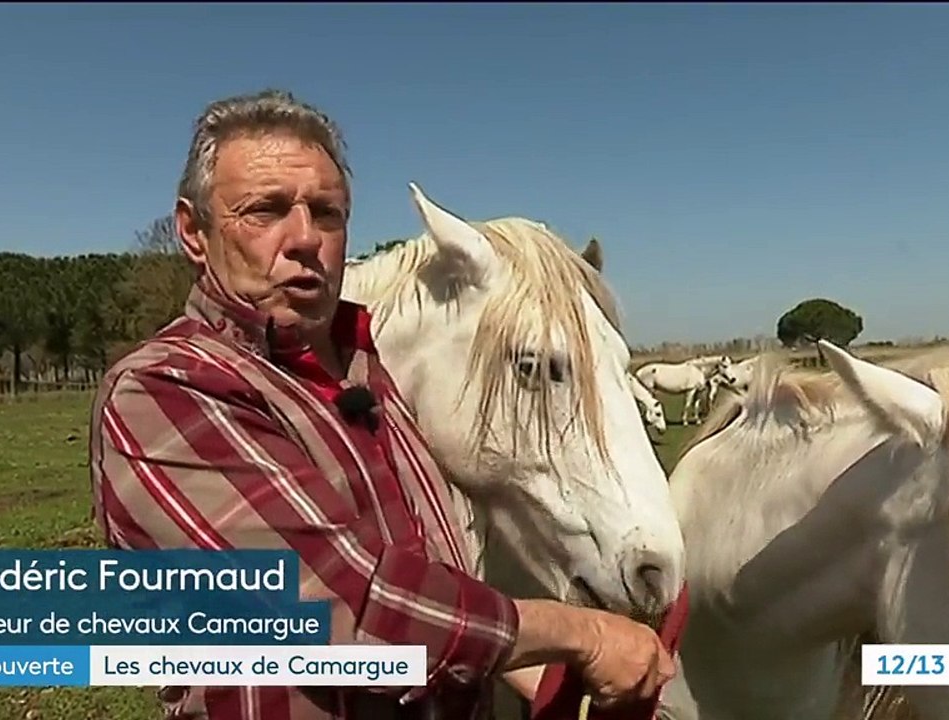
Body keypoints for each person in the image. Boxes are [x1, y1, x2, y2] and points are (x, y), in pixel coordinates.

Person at [89, 88, 676, 720]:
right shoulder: (166, 389)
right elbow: (343, 607)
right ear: (193, 232)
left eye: (327, 213)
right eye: (264, 210)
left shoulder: (372, 377)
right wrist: (582, 636)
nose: (304, 237)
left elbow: (433, 575)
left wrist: (529, 674)